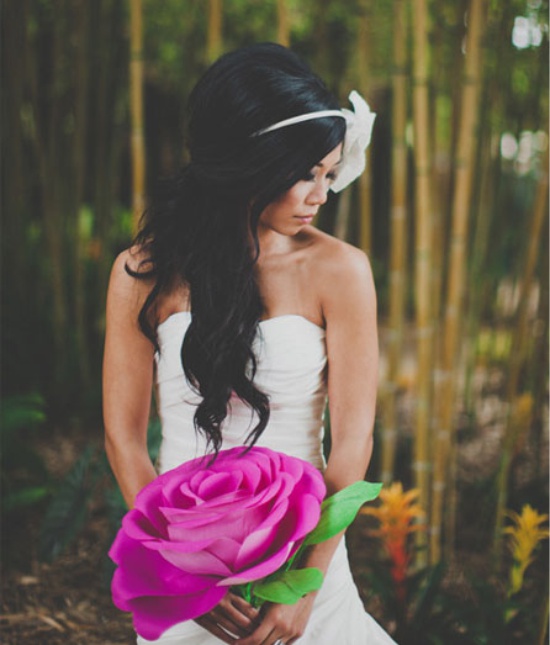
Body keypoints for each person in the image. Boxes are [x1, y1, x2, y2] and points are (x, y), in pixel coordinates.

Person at [103, 42, 396, 645]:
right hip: (185, 563)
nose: (322, 193)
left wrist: (305, 590)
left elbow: (353, 441)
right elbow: (124, 436)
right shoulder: (143, 271)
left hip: (305, 564)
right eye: (304, 174)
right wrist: (177, 572)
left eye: (329, 172)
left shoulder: (340, 270)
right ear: (247, 164)